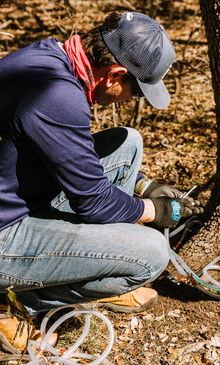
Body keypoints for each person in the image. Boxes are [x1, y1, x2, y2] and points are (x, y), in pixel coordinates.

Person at [0, 11, 203, 353]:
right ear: (115, 76)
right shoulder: (57, 97)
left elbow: (67, 156)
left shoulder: (49, 59)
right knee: (152, 254)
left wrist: (142, 186)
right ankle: (16, 304)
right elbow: (93, 202)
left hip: (13, 197)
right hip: (5, 231)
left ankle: (92, 266)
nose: (130, 100)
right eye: (136, 92)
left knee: (128, 143)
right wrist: (157, 210)